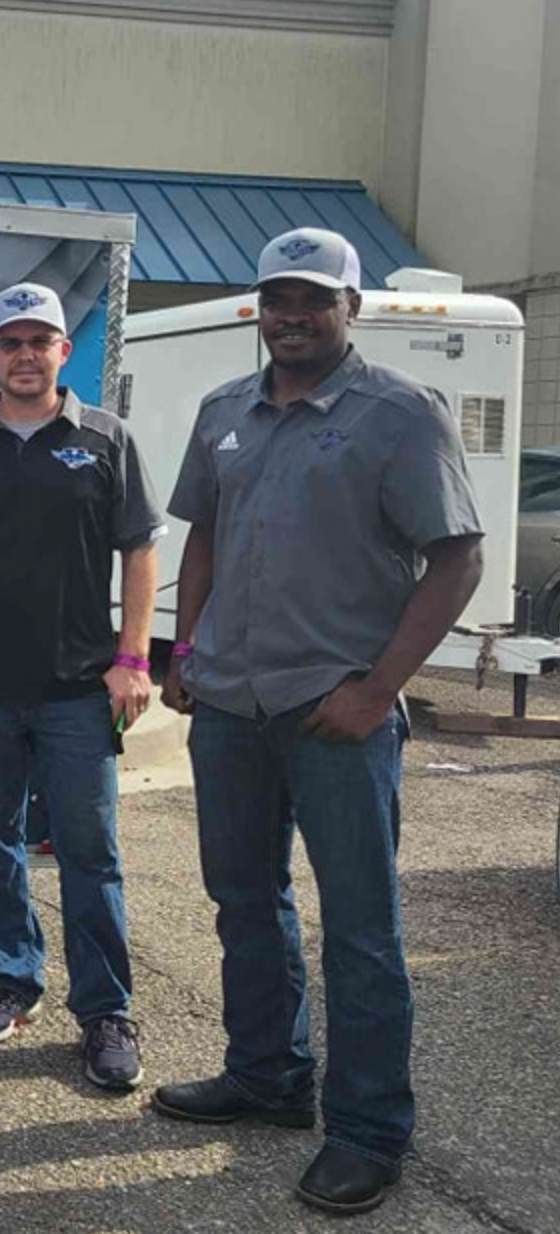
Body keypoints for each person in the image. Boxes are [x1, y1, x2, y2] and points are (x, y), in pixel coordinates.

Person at [152, 228, 483, 1215]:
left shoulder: (396, 415)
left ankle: (368, 1130)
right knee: (242, 900)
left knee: (360, 931)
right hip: (231, 706)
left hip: (334, 713)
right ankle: (265, 1077)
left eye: (311, 299)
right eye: (274, 299)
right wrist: (185, 648)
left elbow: (454, 559)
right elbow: (203, 530)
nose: (290, 316)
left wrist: (378, 689)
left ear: (350, 308)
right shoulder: (224, 412)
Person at [0, 282, 163, 1090]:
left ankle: (105, 1012)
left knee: (89, 851)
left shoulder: (107, 440)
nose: (23, 355)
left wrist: (134, 659)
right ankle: (13, 980)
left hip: (78, 688)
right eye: (9, 342)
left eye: (37, 341)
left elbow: (140, 552)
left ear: (62, 352)